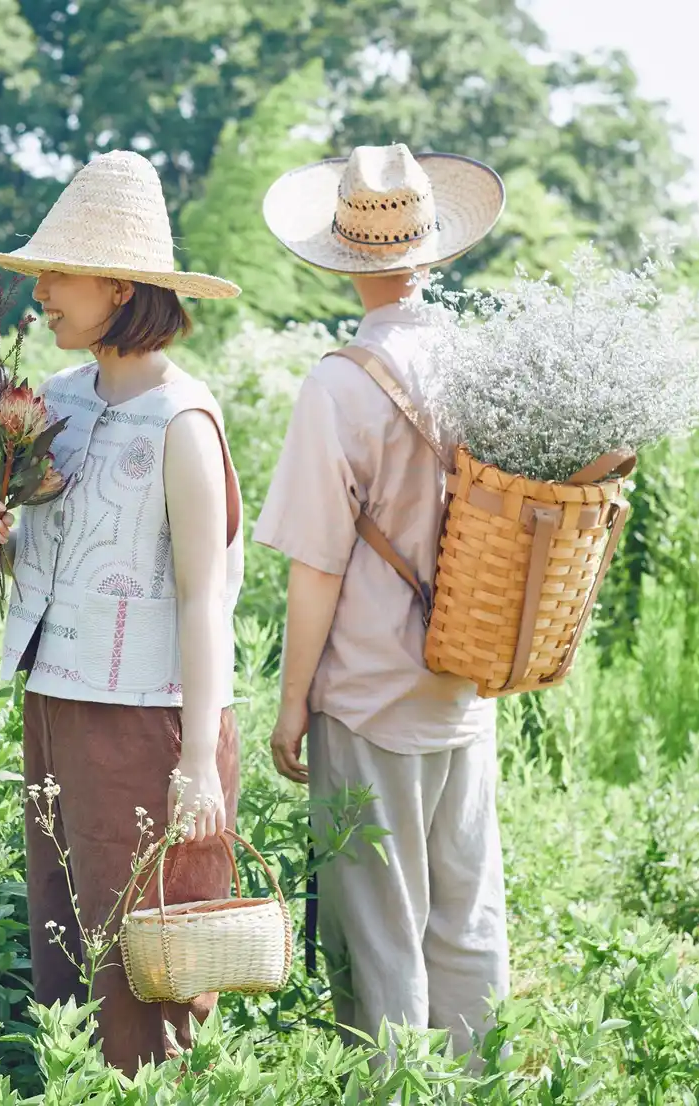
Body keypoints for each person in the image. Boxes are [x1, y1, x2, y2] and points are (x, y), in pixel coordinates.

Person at [0, 150, 245, 1073]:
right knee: (64, 931)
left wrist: (198, 760)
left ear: (119, 286)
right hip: (56, 699)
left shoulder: (182, 422)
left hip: (150, 720)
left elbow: (207, 598)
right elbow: (49, 554)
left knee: (144, 955)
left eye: (59, 272)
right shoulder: (55, 407)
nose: (40, 290)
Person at [253, 143, 509, 1063]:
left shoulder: (337, 385)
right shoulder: (485, 369)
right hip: (465, 679)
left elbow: (317, 565)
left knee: (381, 927)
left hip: (367, 689)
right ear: (433, 252)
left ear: (341, 256)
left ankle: (395, 1090)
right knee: (467, 913)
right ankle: (484, 1083)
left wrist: (291, 707)